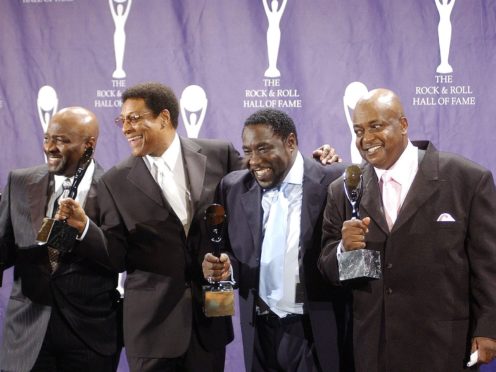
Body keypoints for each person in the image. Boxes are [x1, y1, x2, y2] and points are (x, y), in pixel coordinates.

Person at [57, 82, 340, 372]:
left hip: (210, 322)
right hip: (152, 326)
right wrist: (84, 228)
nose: (125, 128)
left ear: (164, 118)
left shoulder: (218, 154)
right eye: (122, 120)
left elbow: (267, 169)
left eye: (134, 118)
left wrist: (315, 165)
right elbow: (116, 256)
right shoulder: (114, 181)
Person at [318, 88, 496, 372]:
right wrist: (343, 250)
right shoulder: (342, 190)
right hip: (375, 350)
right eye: (358, 130)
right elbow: (327, 267)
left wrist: (489, 326)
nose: (366, 139)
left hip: (444, 346)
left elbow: (489, 265)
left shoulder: (467, 179)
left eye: (376, 126)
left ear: (403, 125)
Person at [202, 109, 352, 372]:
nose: (254, 160)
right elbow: (231, 254)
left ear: (290, 142)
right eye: (247, 151)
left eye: (263, 148)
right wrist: (225, 268)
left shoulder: (333, 180)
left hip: (313, 329)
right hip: (259, 330)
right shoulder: (233, 187)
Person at [0, 107, 121, 371]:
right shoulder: (19, 181)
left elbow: (119, 258)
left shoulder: (116, 186)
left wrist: (85, 228)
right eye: (47, 138)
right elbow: (4, 248)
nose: (50, 147)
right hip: (27, 332)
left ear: (89, 145)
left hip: (89, 334)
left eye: (62, 140)